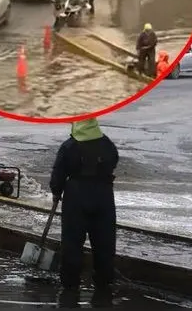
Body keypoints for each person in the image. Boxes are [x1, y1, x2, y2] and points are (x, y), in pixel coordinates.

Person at [49, 117, 119, 304]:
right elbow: (114, 161)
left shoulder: (69, 146)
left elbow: (58, 173)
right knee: (104, 242)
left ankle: (71, 284)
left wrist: (56, 191)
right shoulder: (107, 144)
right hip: (103, 197)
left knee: (72, 242)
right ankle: (104, 282)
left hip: (76, 197)